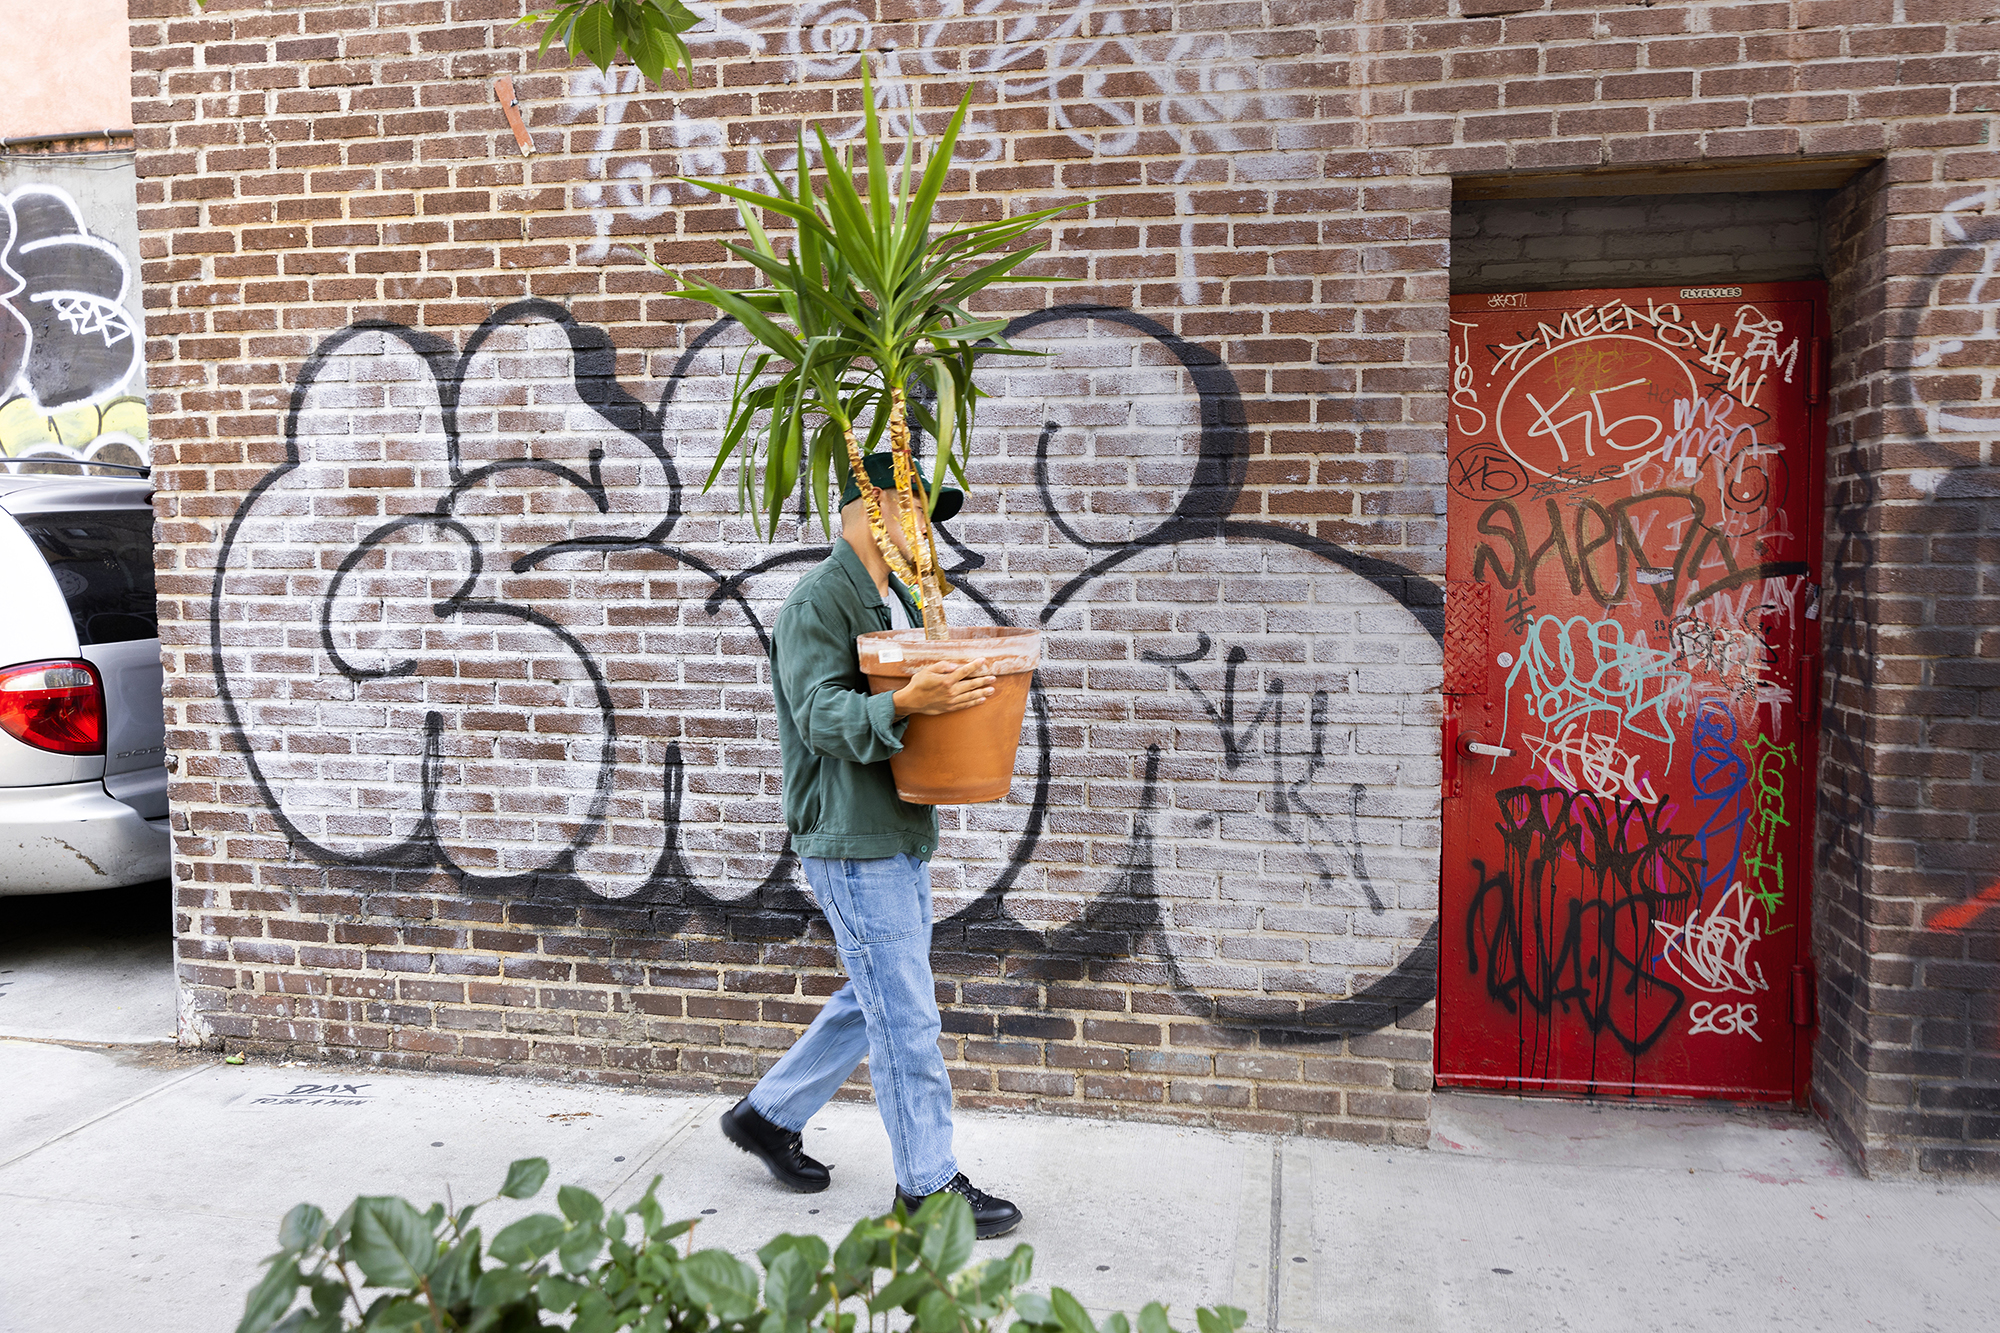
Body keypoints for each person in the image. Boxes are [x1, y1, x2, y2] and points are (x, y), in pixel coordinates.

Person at [719, 452, 1024, 1239]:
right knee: (908, 1016)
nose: (926, 530)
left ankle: (767, 1114)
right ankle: (927, 1188)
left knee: (876, 994)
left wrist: (941, 702)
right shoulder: (819, 602)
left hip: (893, 828)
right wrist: (913, 701)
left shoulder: (894, 598)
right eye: (917, 511)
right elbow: (820, 717)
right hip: (853, 838)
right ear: (873, 505)